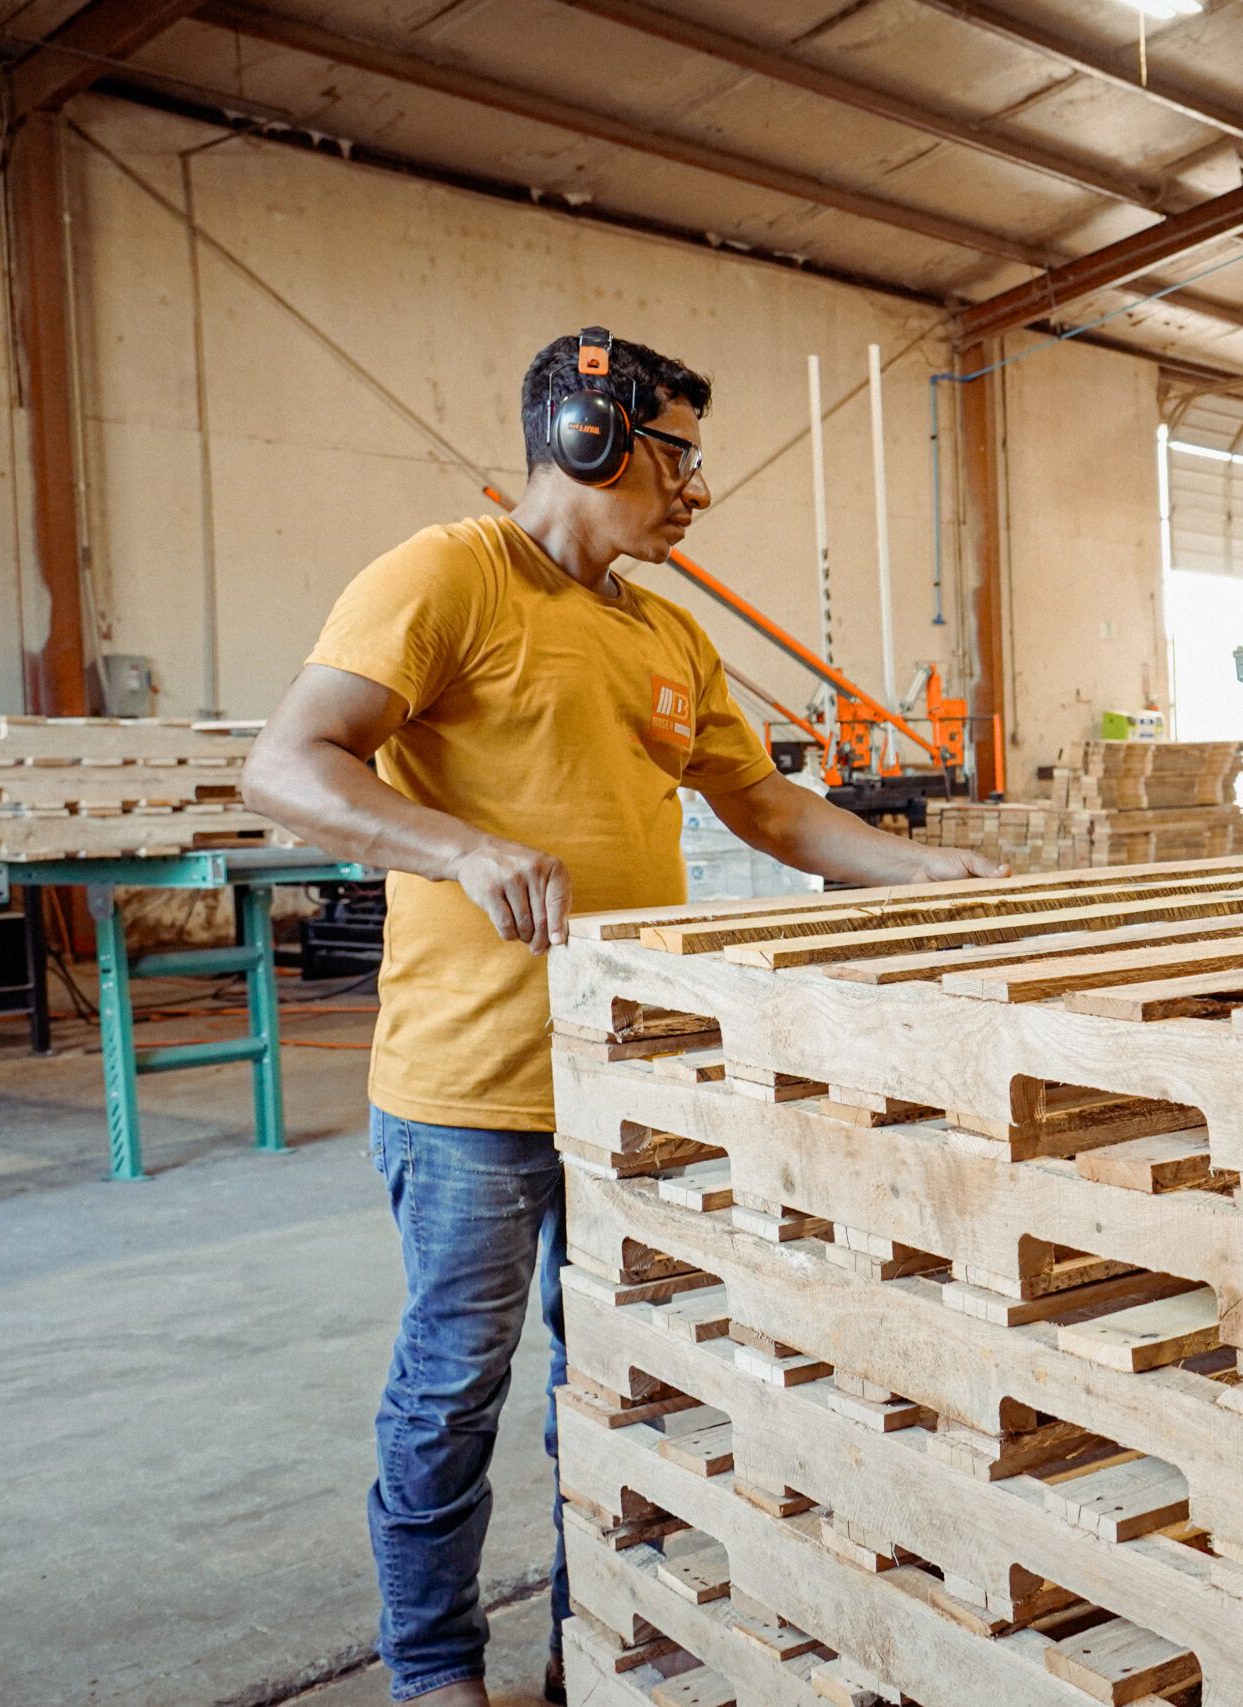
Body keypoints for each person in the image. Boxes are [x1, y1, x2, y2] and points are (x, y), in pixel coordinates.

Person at [241, 328, 1001, 1707]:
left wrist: (928, 866)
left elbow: (768, 807)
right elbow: (286, 763)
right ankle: (431, 1670)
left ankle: (595, 1647)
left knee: (623, 1385)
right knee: (453, 1389)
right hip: (472, 1089)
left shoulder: (669, 633)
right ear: (588, 437)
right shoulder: (446, 576)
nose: (698, 489)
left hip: (635, 1086)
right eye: (679, 454)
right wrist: (457, 846)